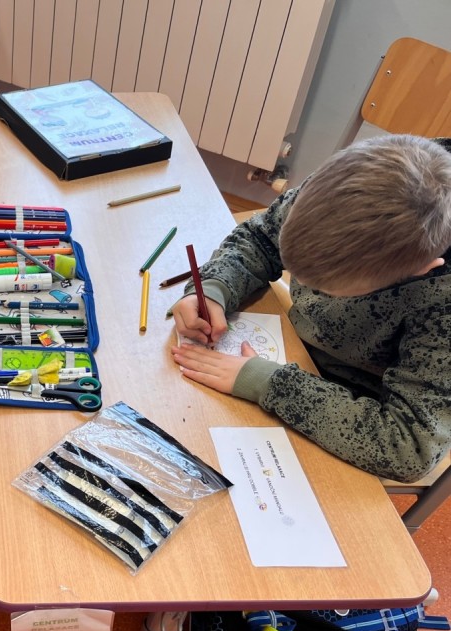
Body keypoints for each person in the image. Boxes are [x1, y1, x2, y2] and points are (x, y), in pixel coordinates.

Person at [170, 134, 451, 483]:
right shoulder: (355, 179)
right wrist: (215, 287)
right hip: (297, 350)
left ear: (421, 268)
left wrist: (272, 384)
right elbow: (261, 239)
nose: (307, 288)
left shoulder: (442, 305)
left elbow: (409, 447)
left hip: (354, 400)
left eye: (330, 289)